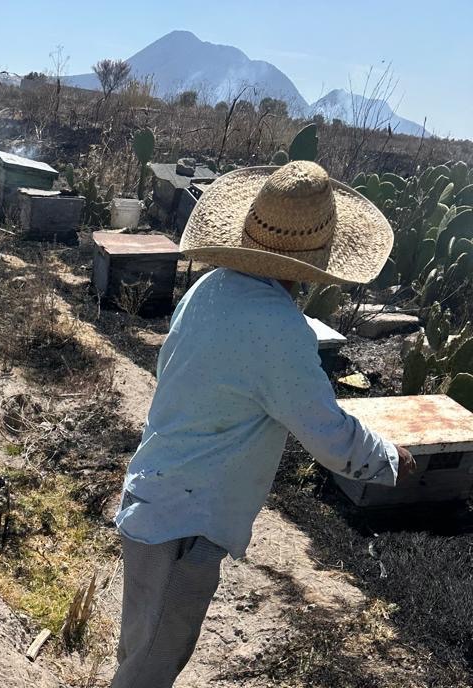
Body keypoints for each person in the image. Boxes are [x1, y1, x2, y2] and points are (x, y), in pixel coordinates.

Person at [112, 160, 417, 688]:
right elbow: (329, 437)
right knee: (148, 671)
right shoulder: (279, 327)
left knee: (141, 651)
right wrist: (391, 460)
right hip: (185, 524)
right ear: (315, 260)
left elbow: (176, 375)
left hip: (153, 497)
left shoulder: (209, 289)